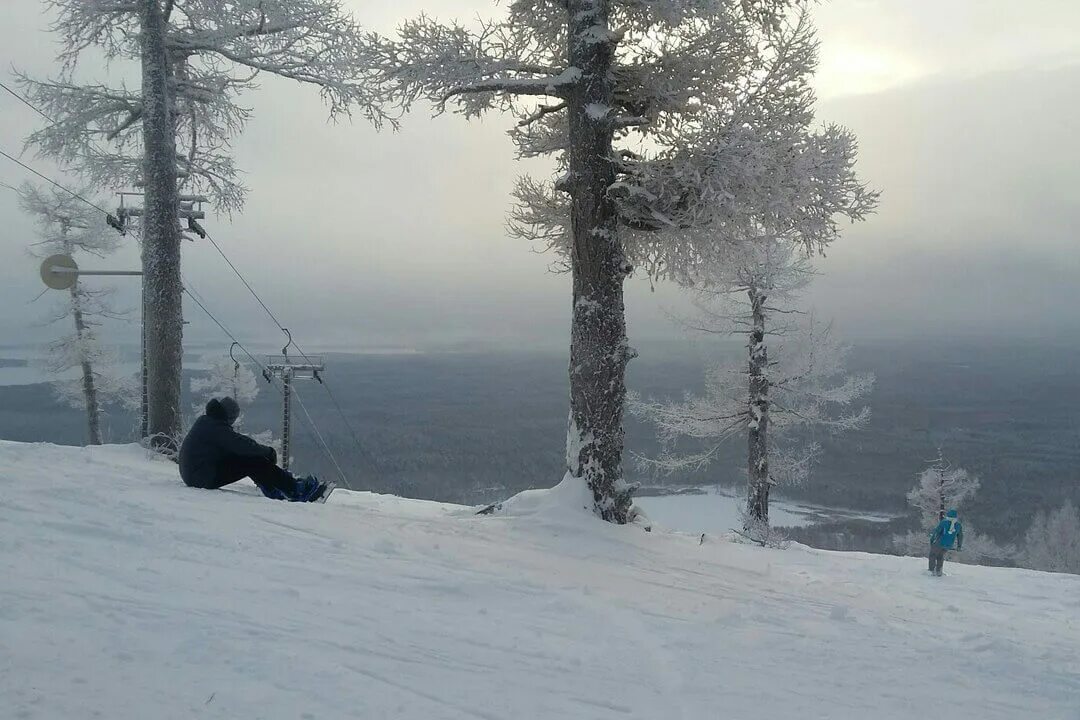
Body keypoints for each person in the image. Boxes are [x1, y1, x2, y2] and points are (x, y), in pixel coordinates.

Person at [179, 397, 326, 502]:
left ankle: (275, 485)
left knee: (247, 458)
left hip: (197, 473)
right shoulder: (216, 428)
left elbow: (237, 445)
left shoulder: (208, 422)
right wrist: (268, 452)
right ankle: (295, 489)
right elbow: (242, 445)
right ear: (229, 416)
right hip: (201, 477)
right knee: (250, 461)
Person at [928, 508, 963, 576]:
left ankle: (932, 570)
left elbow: (937, 532)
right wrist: (959, 546)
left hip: (939, 542)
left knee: (933, 555)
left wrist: (932, 540)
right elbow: (960, 536)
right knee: (940, 556)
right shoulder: (958, 525)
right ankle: (939, 571)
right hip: (948, 545)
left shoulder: (944, 522)